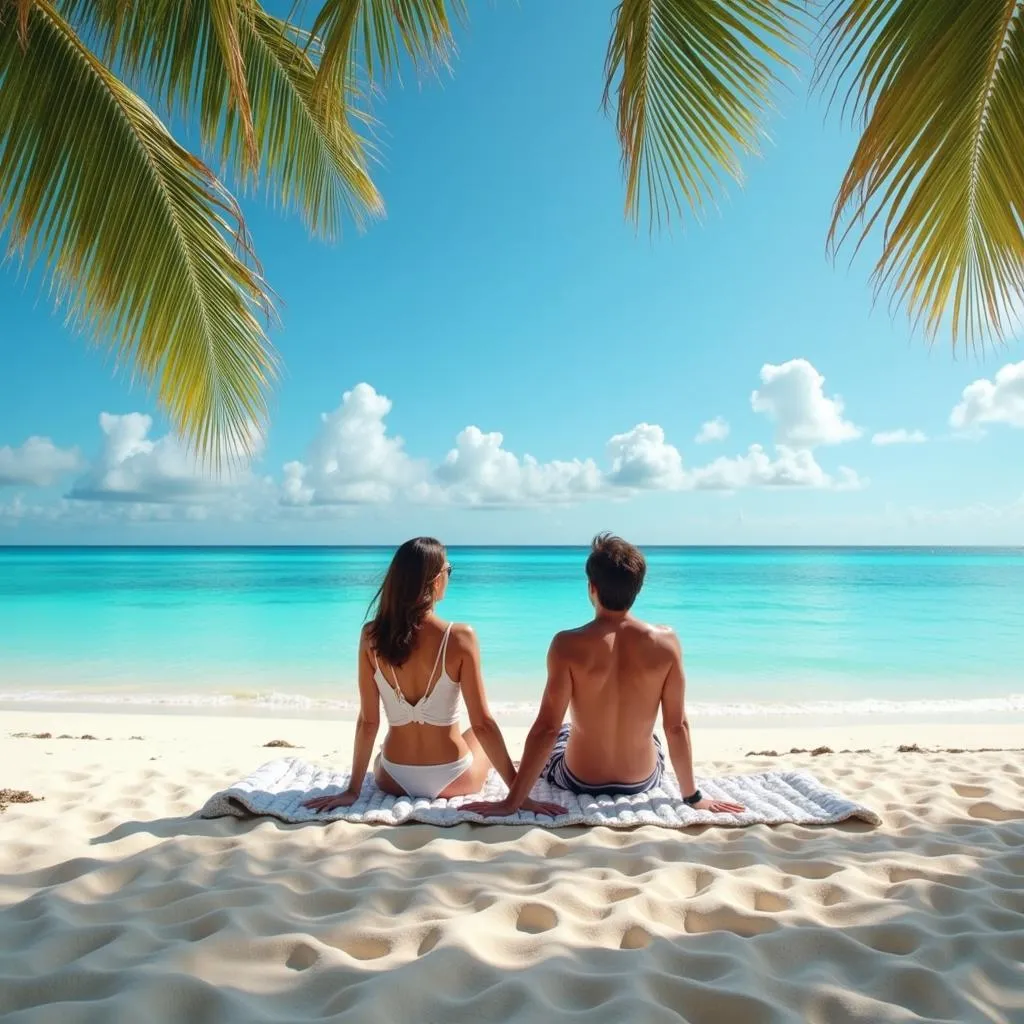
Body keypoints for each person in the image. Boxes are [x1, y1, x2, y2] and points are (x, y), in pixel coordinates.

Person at [464, 534, 745, 817]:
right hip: (641, 781)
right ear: (638, 588)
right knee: (655, 738)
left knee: (562, 732)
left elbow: (546, 728)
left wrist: (512, 802)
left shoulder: (567, 644)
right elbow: (677, 727)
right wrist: (692, 797)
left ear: (592, 588)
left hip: (579, 779)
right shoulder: (666, 643)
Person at [304, 537, 564, 815]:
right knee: (475, 739)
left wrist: (353, 791)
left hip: (392, 778)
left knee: (384, 753)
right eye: (448, 570)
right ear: (436, 580)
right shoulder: (460, 637)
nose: (449, 577)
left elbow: (368, 722)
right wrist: (518, 795)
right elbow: (483, 724)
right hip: (453, 779)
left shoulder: (370, 636)